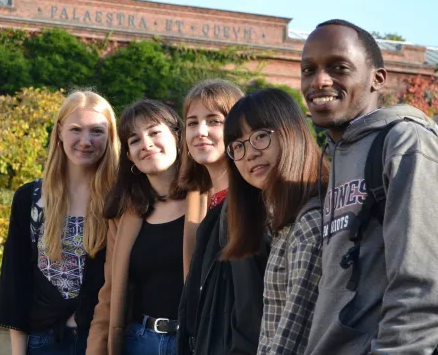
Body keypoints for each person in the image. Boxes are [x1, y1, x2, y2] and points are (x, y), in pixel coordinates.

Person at [301, 19, 438, 354]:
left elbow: (426, 290)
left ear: (378, 79)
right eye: (309, 69)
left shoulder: (406, 144)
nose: (319, 80)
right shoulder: (340, 154)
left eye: (338, 67)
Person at [0, 90, 120, 355]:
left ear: (110, 137)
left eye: (97, 131)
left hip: (102, 343)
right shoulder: (31, 198)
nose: (85, 141)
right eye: (76, 129)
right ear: (60, 132)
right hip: (43, 342)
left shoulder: (121, 199)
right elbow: (15, 282)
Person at [222, 88, 329, 354]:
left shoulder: (309, 222)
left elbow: (293, 339)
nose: (250, 153)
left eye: (261, 136)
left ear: (292, 134)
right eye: (238, 145)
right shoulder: (279, 220)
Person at [86, 99, 197, 355]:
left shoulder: (207, 200)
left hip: (194, 343)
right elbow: (109, 295)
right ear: (129, 156)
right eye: (134, 140)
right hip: (140, 342)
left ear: (178, 138)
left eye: (155, 132)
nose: (146, 144)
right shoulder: (124, 216)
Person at [177, 79, 270, 355]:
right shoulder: (204, 204)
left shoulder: (252, 205)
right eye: (192, 123)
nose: (200, 132)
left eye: (214, 121)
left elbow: (251, 309)